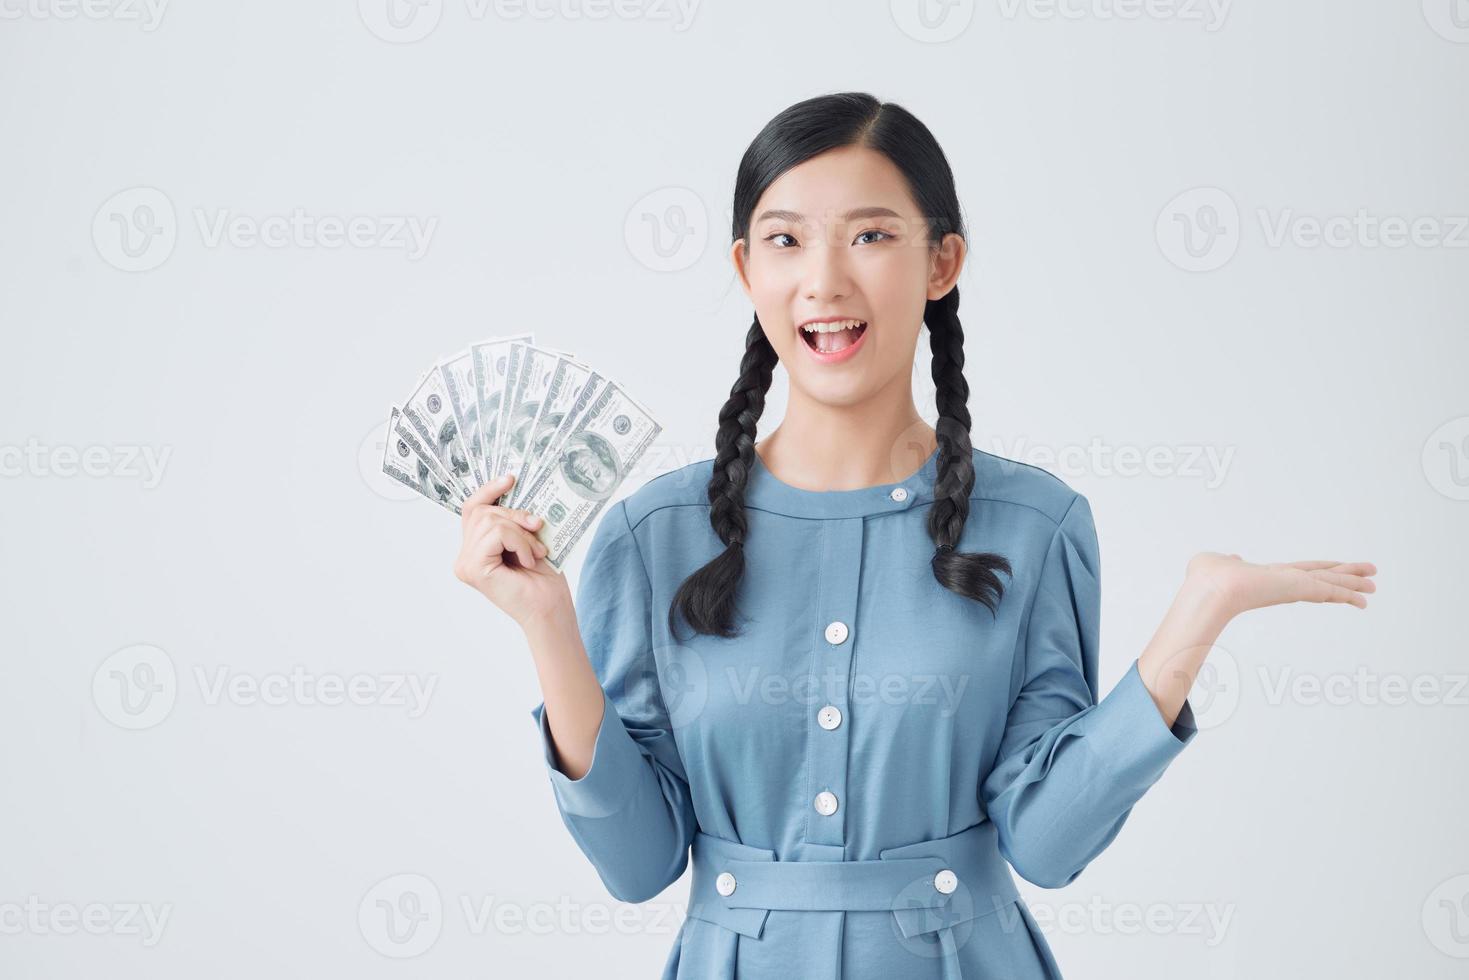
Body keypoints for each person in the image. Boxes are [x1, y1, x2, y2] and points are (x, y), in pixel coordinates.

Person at [450, 92, 1377, 979]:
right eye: (785, 241)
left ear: (941, 263)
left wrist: (1195, 619)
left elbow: (1046, 846)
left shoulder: (1036, 526)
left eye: (870, 236)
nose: (823, 280)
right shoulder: (652, 536)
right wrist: (546, 626)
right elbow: (637, 863)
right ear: (746, 271)